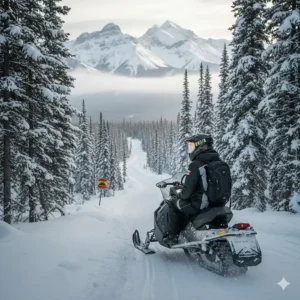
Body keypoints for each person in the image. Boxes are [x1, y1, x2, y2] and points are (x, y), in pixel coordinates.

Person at [167, 134, 222, 242]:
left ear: (201, 147)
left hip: (200, 205)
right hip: (217, 204)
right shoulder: (219, 163)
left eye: (192, 146)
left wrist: (178, 195)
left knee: (173, 203)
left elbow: (186, 193)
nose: (190, 149)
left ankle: (172, 236)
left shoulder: (196, 165)